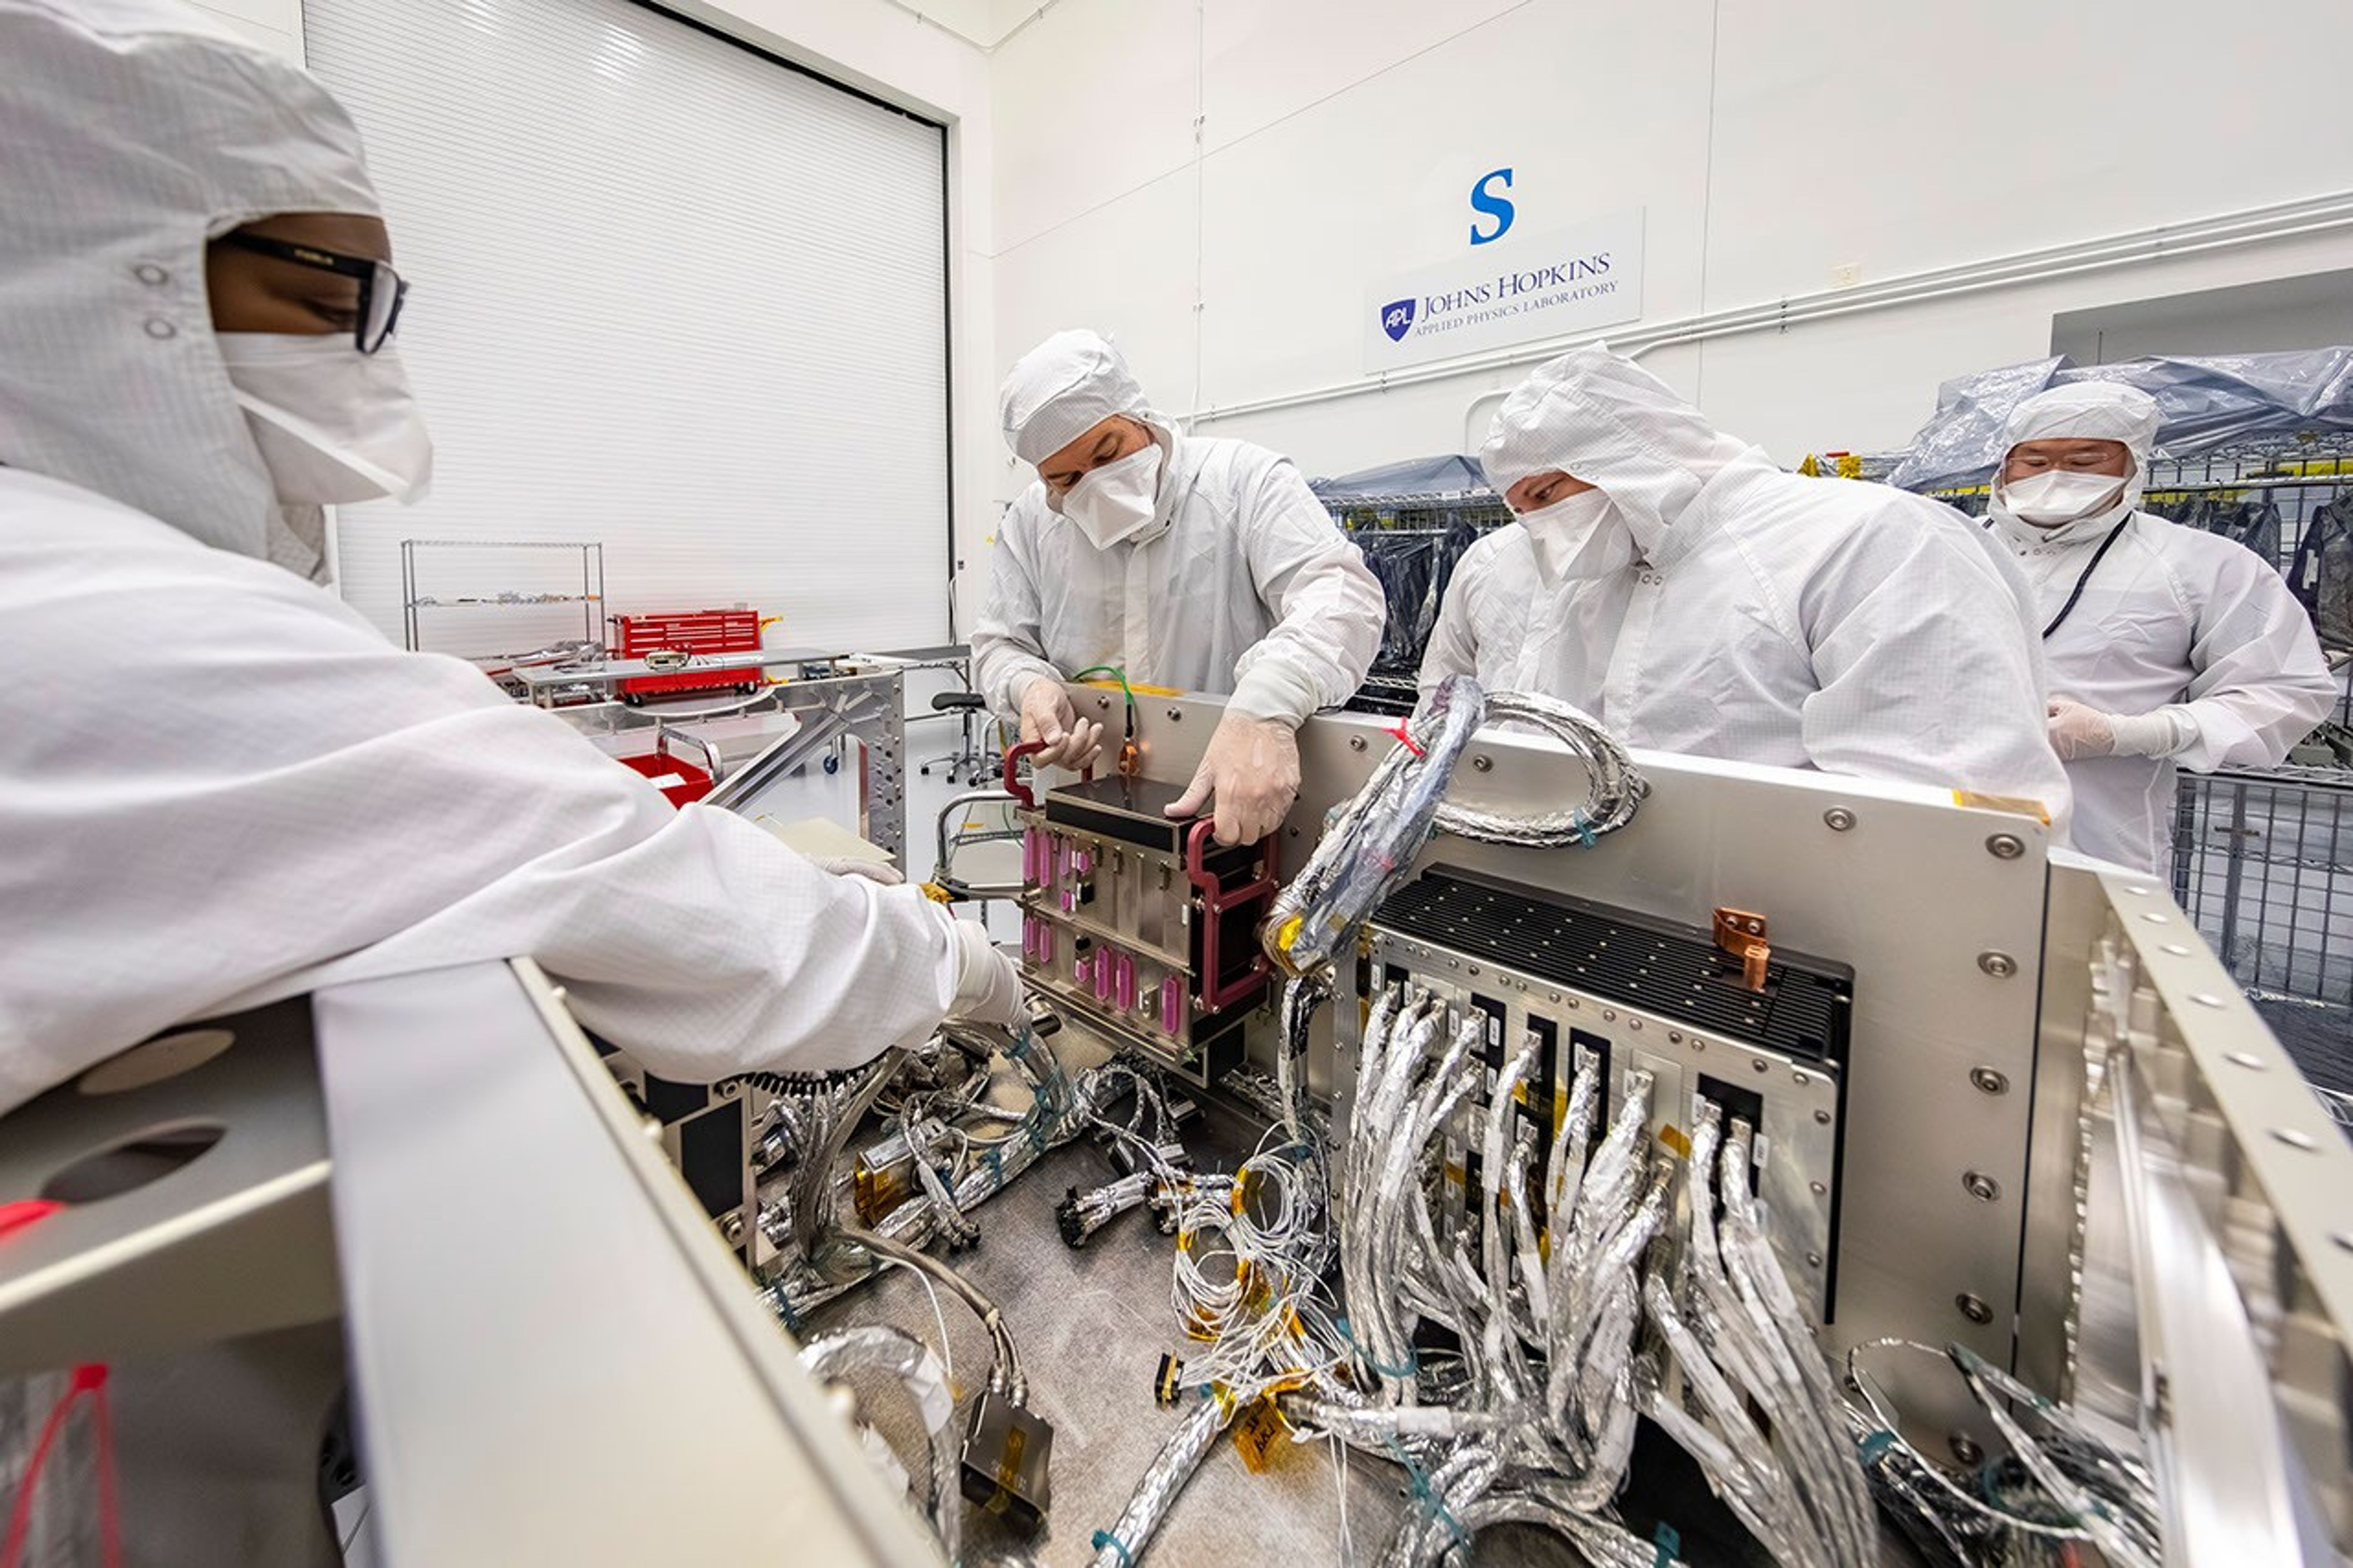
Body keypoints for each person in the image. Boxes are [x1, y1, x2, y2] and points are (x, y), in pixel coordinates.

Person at [0, 0, 1024, 1125]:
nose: (365, 356)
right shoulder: (116, 617)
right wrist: (957, 962)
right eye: (330, 298)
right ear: (117, 279)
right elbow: (660, 899)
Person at [1419, 346, 2071, 823]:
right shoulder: (1582, 576)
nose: (1536, 524)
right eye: (1518, 507)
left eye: (1546, 492)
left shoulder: (1871, 542)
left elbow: (1947, 819)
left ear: (1626, 456)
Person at [973, 330, 1385, 846]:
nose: (1094, 485)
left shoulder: (1242, 482)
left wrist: (1269, 703)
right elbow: (1000, 645)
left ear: (1139, 413)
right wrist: (1029, 687)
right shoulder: (1033, 522)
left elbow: (1342, 597)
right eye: (1066, 480)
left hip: (1226, 807)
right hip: (1082, 801)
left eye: (1107, 454)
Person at [1985, 382, 2335, 875]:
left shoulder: (2203, 565)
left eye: (2086, 462)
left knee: (2078, 946)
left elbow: (2285, 690)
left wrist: (2125, 734)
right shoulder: (1948, 550)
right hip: (1925, 823)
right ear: (2005, 468)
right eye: (2035, 463)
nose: (2057, 477)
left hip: (2097, 844)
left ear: (2133, 468)